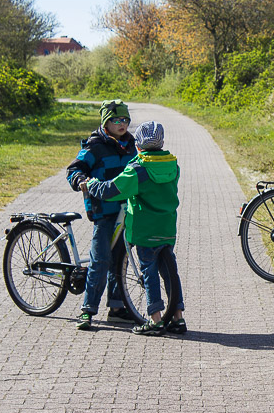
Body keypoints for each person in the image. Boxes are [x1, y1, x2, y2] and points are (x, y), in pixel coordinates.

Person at [83, 120, 186, 336]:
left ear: (138, 145)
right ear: (162, 142)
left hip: (145, 230)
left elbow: (113, 190)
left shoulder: (138, 169)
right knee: (170, 273)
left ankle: (155, 319)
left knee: (148, 272)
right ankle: (178, 317)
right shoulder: (172, 165)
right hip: (167, 228)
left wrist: (92, 185)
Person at [67, 99, 137, 330]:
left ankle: (117, 308)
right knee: (100, 259)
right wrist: (80, 181)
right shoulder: (94, 145)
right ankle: (87, 310)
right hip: (104, 210)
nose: (122, 124)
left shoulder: (131, 145)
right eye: (116, 120)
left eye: (125, 120)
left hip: (125, 210)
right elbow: (74, 169)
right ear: (106, 122)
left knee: (120, 258)